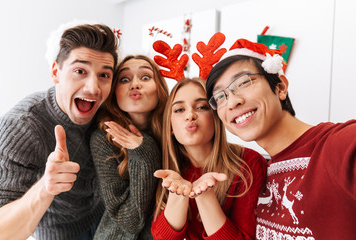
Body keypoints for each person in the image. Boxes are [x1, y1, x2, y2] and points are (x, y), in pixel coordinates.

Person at [205, 38, 356, 239]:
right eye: (220, 97)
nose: (232, 102)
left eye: (243, 82)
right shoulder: (258, 172)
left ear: (280, 88)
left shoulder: (340, 145)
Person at [0, 22, 119, 240]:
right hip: (58, 232)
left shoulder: (108, 107)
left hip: (102, 218)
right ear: (55, 72)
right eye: (80, 71)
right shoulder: (22, 126)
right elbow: (0, 232)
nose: (93, 88)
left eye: (104, 75)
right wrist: (45, 186)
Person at [151, 78, 267, 240]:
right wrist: (178, 194)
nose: (190, 115)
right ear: (170, 126)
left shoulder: (249, 163)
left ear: (216, 117)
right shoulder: (165, 169)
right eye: (179, 110)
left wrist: (204, 195)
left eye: (201, 107)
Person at [90, 55, 169, 239]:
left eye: (145, 77)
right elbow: (130, 221)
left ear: (160, 88)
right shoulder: (104, 138)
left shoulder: (174, 132)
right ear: (114, 92)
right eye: (124, 79)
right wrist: (143, 151)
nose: (135, 84)